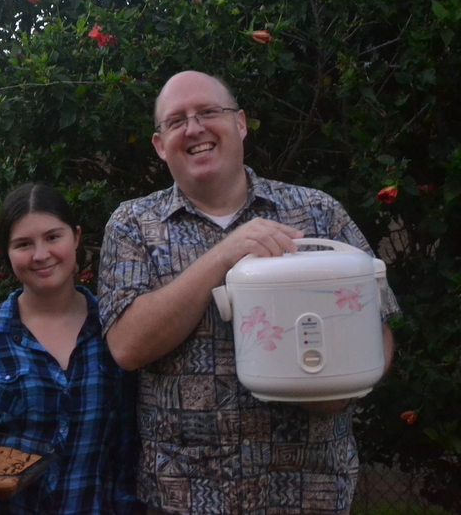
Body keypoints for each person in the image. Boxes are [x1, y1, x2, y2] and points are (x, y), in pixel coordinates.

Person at [97, 71, 399, 515]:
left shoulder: (317, 212)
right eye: (176, 120)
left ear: (240, 123)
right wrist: (222, 257)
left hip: (306, 491)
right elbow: (126, 346)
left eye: (208, 112)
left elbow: (381, 324)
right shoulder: (133, 225)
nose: (194, 128)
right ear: (160, 146)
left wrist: (347, 388)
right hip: (184, 496)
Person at [0, 183, 140, 514]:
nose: (40, 254)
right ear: (6, 252)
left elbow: (128, 452)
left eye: (53, 237)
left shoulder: (116, 331)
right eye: (23, 244)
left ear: (76, 237)